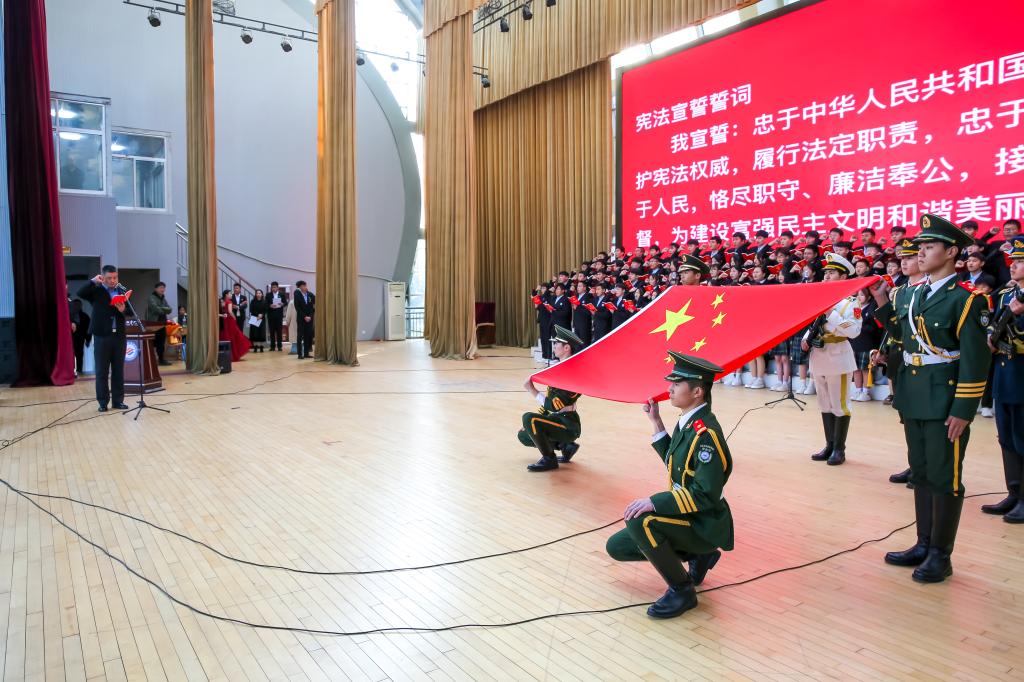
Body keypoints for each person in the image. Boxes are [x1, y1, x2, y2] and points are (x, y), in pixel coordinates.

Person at [871, 213, 991, 583]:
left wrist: (964, 409)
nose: (920, 253)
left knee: (945, 476)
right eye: (919, 247)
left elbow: (975, 360)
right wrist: (881, 300)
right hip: (914, 394)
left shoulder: (967, 300)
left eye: (929, 247)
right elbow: (902, 335)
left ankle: (941, 554)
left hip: (945, 400)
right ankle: (923, 543)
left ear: (952, 252)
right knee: (921, 472)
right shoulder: (910, 294)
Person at [605, 352, 733, 619]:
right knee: (617, 547)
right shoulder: (689, 422)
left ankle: (682, 590)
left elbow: (704, 495)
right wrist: (656, 422)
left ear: (697, 391)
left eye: (677, 383)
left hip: (704, 522)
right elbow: (678, 466)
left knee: (642, 522)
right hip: (689, 516)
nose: (670, 388)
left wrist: (654, 502)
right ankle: (699, 556)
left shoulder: (706, 434)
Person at [803, 253, 862, 466]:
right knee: (825, 404)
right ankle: (829, 445)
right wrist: (806, 338)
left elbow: (854, 331)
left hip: (838, 357)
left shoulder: (850, 303)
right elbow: (813, 325)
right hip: (819, 356)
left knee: (840, 404)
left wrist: (831, 313)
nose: (826, 276)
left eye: (832, 272)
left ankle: (839, 449)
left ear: (843, 276)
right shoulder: (821, 298)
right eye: (826, 272)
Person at [875, 239, 926, 485]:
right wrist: (883, 350)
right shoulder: (900, 291)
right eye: (902, 259)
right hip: (899, 357)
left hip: (921, 360)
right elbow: (893, 326)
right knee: (906, 417)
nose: (904, 263)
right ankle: (914, 464)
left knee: (922, 417)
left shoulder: (927, 289)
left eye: (910, 258)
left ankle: (924, 468)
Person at [981, 238, 1024, 522]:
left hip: (1021, 374)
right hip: (1004, 373)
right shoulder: (1008, 294)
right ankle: (1014, 492)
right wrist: (990, 338)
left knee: (1022, 437)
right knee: (1006, 437)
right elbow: (995, 323)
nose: (1013, 266)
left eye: (1019, 262)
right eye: (1013, 262)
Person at [517, 326, 585, 471]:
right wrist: (532, 422)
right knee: (523, 434)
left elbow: (554, 405)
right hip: (556, 419)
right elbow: (548, 400)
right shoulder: (558, 369)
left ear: (566, 347)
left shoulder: (573, 374)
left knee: (529, 418)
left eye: (556, 343)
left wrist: (532, 389)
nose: (553, 346)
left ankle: (549, 459)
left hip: (568, 423)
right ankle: (564, 446)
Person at [77, 265, 129, 412]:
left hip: (119, 336)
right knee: (102, 371)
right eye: (109, 278)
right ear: (103, 277)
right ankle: (103, 402)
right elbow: (80, 293)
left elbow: (130, 311)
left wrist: (123, 310)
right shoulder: (96, 290)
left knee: (118, 370)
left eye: (115, 277)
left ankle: (118, 401)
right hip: (102, 335)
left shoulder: (122, 291)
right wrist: (92, 281)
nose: (113, 280)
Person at [218, 290, 251, 361]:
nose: (231, 295)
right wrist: (234, 317)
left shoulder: (222, 302)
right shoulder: (229, 301)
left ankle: (227, 355)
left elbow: (223, 310)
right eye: (230, 293)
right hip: (230, 320)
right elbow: (230, 311)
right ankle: (234, 354)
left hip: (224, 319)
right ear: (226, 295)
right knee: (235, 335)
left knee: (227, 336)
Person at [146, 281, 173, 366]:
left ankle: (161, 360)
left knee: (161, 343)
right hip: (153, 324)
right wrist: (164, 309)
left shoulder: (163, 299)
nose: (162, 289)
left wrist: (162, 308)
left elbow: (170, 309)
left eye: (163, 288)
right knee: (152, 342)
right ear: (156, 289)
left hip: (162, 324)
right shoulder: (151, 297)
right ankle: (150, 360)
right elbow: (155, 309)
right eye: (161, 287)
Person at [293, 280, 315, 359]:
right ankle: (299, 354)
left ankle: (306, 353)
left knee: (307, 336)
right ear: (300, 287)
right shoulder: (297, 294)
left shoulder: (310, 294)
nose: (305, 287)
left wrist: (310, 316)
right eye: (303, 286)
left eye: (305, 285)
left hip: (309, 319)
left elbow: (313, 307)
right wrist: (305, 317)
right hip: (301, 319)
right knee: (300, 336)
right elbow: (297, 308)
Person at [69, 299, 91, 376]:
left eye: (78, 305)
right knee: (70, 356)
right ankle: (70, 371)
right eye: (75, 305)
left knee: (79, 355)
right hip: (70, 340)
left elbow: (88, 329)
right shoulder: (68, 316)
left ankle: (79, 370)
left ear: (81, 306)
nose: (76, 306)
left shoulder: (85, 316)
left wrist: (88, 340)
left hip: (80, 339)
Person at [266, 281, 288, 351]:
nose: (273, 289)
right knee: (272, 331)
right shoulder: (268, 295)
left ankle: (279, 346)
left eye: (275, 287)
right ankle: (272, 346)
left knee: (279, 331)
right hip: (271, 315)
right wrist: (270, 305)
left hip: (279, 315)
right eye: (272, 287)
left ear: (277, 287)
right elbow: (265, 304)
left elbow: (286, 303)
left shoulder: (282, 294)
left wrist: (282, 304)